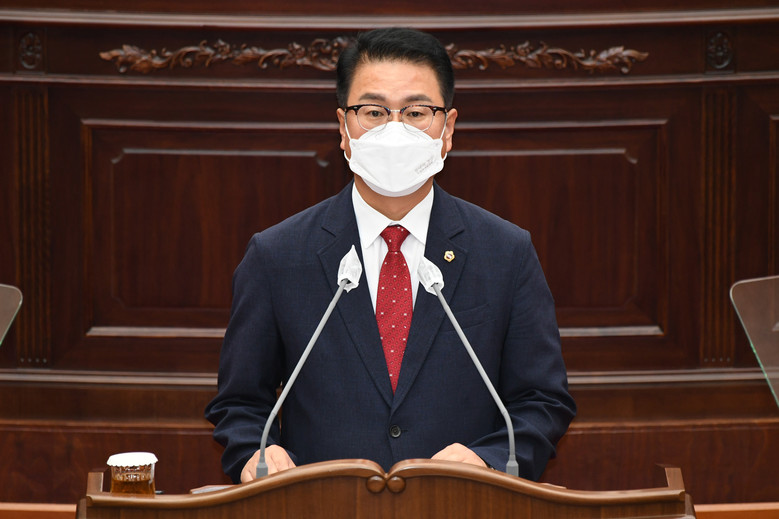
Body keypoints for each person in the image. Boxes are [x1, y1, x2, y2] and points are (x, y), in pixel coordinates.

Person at [205, 27, 576, 484]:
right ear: (344, 128)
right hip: (321, 505)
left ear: (447, 129)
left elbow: (543, 401)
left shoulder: (505, 252)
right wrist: (256, 454)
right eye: (374, 112)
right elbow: (240, 404)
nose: (395, 130)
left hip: (461, 504)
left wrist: (488, 459)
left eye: (417, 112)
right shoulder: (277, 256)